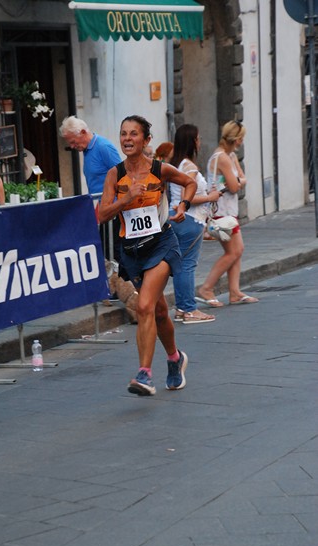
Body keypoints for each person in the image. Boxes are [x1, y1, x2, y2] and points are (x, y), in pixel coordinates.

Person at [99, 115, 197, 396]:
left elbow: (189, 182)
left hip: (161, 244)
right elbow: (101, 214)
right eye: (123, 134)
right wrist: (126, 199)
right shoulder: (114, 175)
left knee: (143, 306)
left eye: (133, 134)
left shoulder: (160, 169)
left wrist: (183, 206)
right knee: (158, 310)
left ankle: (144, 374)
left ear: (146, 140)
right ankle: (175, 359)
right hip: (131, 250)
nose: (127, 139)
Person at [196, 120, 259, 306]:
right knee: (234, 251)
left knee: (236, 251)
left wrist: (239, 181)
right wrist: (239, 181)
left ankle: (235, 291)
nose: (242, 142)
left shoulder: (229, 156)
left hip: (229, 211)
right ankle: (207, 287)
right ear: (236, 139)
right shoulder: (222, 157)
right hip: (222, 212)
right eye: (241, 138)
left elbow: (240, 178)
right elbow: (235, 184)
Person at [169, 124, 221, 324]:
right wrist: (211, 196)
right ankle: (189, 309)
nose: (200, 142)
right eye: (198, 138)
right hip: (190, 219)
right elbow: (186, 196)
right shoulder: (189, 167)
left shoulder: (177, 164)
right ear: (193, 142)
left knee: (181, 265)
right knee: (187, 265)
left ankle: (182, 308)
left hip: (179, 218)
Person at [59, 115, 121, 264]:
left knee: (113, 254)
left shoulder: (103, 147)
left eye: (73, 142)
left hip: (114, 211)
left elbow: (123, 175)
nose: (72, 147)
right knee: (106, 253)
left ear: (82, 132)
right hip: (104, 211)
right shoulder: (88, 150)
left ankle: (133, 286)